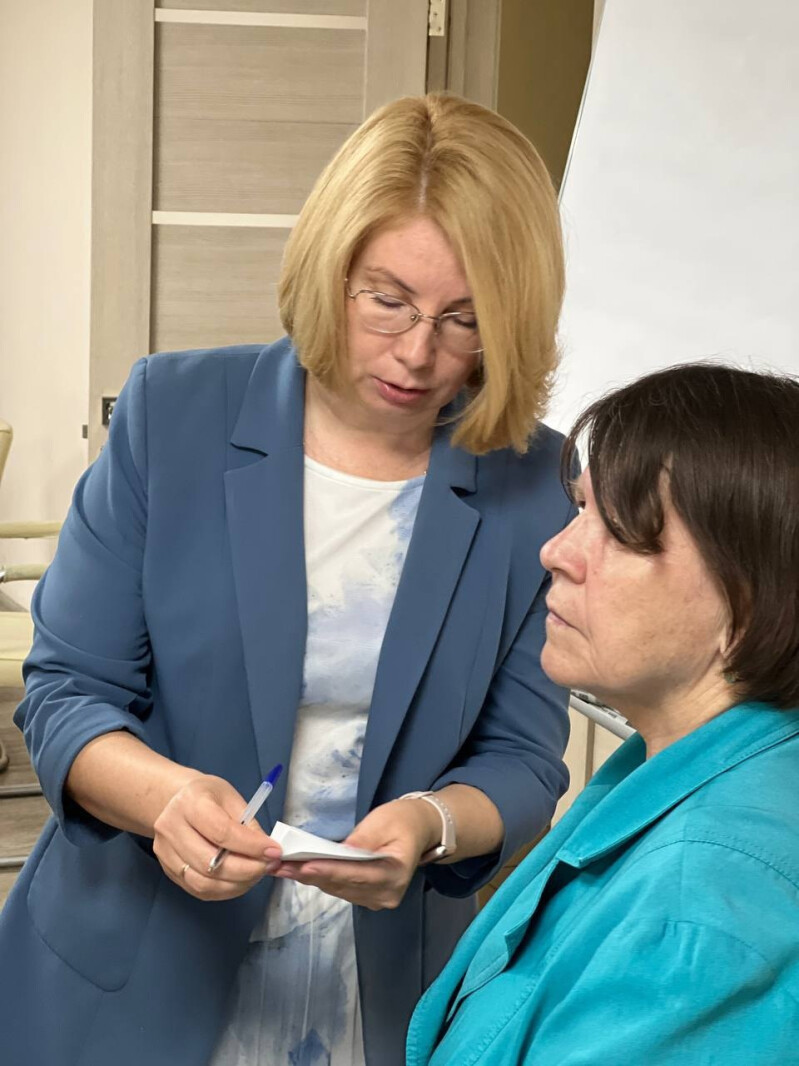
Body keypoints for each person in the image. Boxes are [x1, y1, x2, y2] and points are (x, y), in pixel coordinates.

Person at [0, 93, 575, 1066]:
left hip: (381, 988)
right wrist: (163, 797)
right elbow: (65, 692)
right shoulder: (173, 412)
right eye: (386, 299)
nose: (418, 352)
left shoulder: (535, 482)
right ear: (329, 266)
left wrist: (431, 824)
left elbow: (523, 758)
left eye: (465, 320)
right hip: (130, 972)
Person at [408, 362, 799, 1065]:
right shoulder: (669, 764)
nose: (555, 551)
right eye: (580, 508)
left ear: (747, 607)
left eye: (617, 530)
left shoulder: (702, 904)